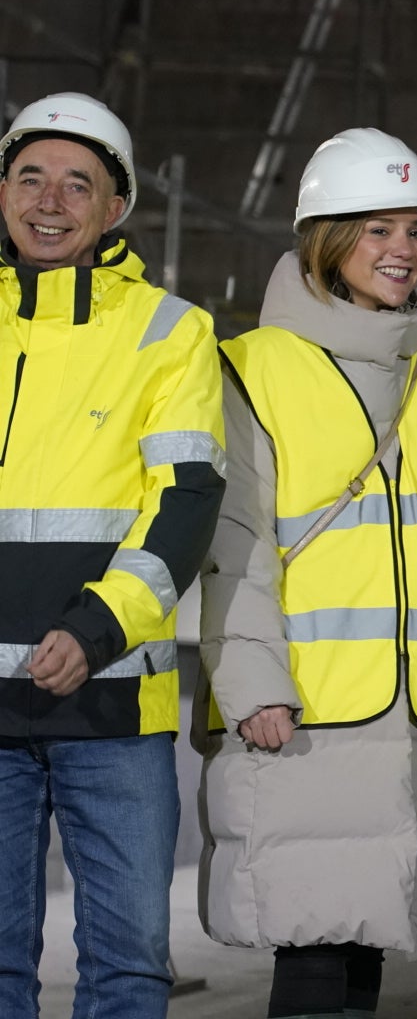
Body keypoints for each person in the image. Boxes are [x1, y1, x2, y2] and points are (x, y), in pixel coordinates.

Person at [195, 128, 417, 1019]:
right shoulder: (254, 368)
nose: (403, 250)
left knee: (368, 947)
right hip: (303, 713)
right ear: (324, 240)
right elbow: (232, 541)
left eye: (416, 231)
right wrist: (252, 686)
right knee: (312, 950)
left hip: (413, 714)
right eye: (377, 230)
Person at [0, 92, 225, 1018]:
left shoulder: (171, 333)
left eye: (77, 183)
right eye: (29, 176)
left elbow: (185, 504)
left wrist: (94, 631)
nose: (49, 200)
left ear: (115, 208)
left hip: (113, 704)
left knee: (129, 968)